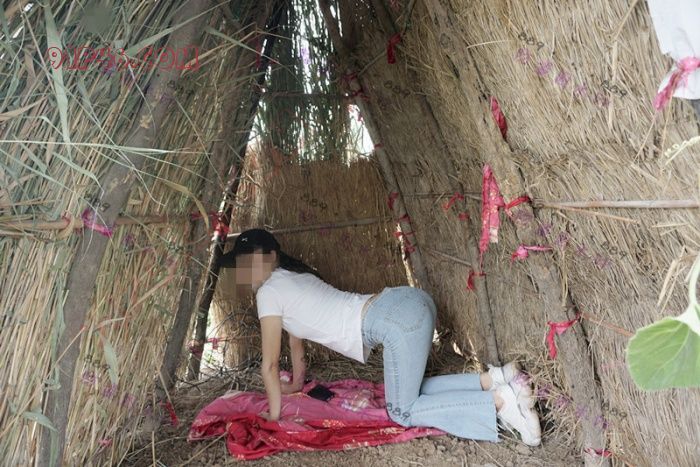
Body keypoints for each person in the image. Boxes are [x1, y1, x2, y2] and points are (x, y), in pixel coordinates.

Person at [218, 228, 541, 446]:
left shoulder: (269, 293)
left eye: (249, 261)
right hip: (409, 301)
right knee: (411, 392)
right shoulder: (293, 278)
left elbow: (270, 364)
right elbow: (295, 344)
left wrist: (275, 416)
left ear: (270, 257)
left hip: (393, 321)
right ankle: (496, 378)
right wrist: (295, 385)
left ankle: (500, 402)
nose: (244, 270)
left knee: (401, 411)